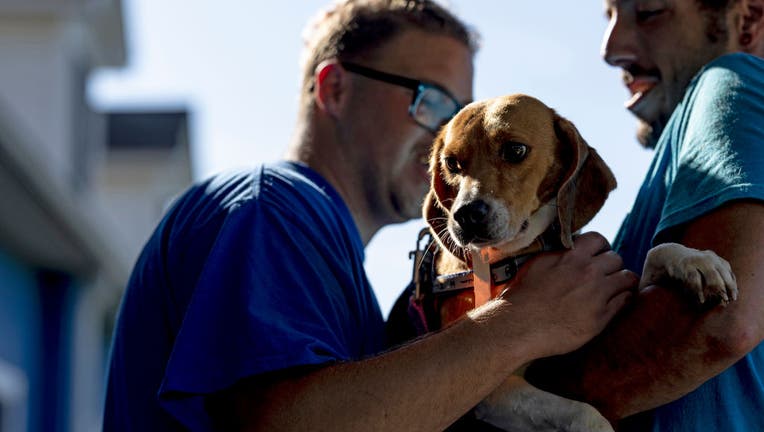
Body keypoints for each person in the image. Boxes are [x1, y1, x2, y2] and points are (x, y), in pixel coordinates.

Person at [102, 1, 636, 430]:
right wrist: (521, 321)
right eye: (430, 102)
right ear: (335, 88)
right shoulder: (271, 209)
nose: (448, 139)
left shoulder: (328, 254)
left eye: (458, 114)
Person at [525, 0, 764, 430]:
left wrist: (502, 399)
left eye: (650, 11)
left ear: (747, 20)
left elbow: (723, 321)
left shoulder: (733, 80)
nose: (609, 47)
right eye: (610, 16)